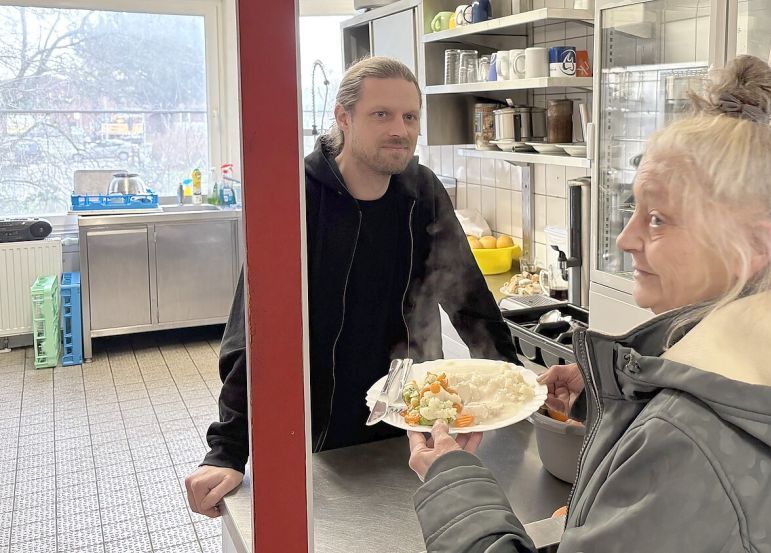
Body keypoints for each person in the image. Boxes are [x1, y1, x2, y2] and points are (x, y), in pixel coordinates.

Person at [407, 56, 771, 552]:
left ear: (755, 245)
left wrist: (454, 483)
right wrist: (618, 395)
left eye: (659, 219)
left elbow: (700, 465)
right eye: (634, 209)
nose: (626, 238)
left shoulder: (688, 441)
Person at [185, 56, 520, 518]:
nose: (399, 130)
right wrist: (226, 449)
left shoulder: (422, 191)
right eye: (381, 114)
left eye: (410, 116)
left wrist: (515, 381)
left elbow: (468, 297)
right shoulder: (296, 196)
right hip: (319, 428)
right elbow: (254, 332)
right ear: (343, 118)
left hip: (411, 418)